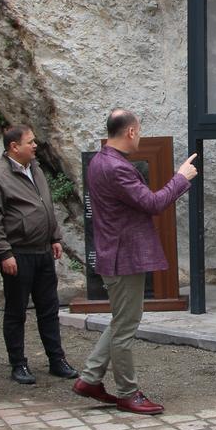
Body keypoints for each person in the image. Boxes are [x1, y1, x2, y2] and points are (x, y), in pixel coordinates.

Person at [73, 108, 197, 414]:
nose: (139, 137)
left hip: (116, 254)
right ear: (130, 132)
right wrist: (180, 178)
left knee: (121, 320)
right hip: (123, 258)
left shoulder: (101, 161)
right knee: (126, 326)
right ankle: (128, 393)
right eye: (139, 132)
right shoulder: (117, 167)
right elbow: (153, 203)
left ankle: (90, 378)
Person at [0, 125, 79, 385]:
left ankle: (56, 360)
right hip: (18, 254)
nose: (35, 146)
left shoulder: (35, 168)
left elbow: (46, 205)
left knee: (49, 308)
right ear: (14, 147)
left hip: (42, 251)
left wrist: (54, 237)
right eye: (30, 142)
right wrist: (4, 254)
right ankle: (18, 364)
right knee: (16, 312)